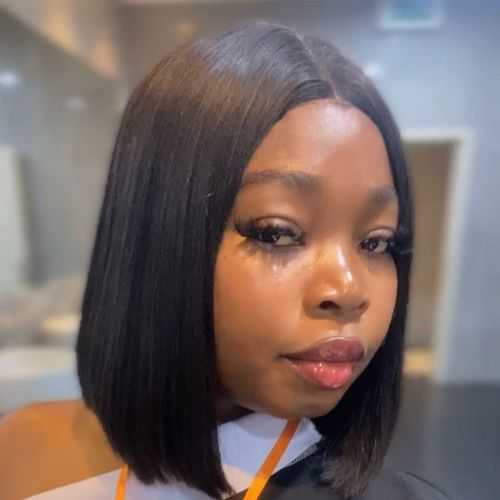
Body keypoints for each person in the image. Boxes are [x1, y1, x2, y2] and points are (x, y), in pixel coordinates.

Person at [0, 21, 451, 500]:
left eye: (377, 243)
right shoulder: (18, 447)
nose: (348, 290)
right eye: (277, 233)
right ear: (156, 236)